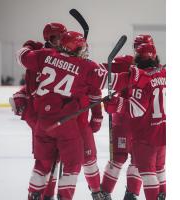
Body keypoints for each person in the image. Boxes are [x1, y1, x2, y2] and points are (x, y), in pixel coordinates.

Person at [16, 30, 133, 200]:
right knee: (72, 165)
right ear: (75, 47)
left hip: (42, 124)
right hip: (67, 125)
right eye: (82, 47)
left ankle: (34, 195)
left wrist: (28, 47)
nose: (85, 50)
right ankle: (65, 196)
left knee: (42, 164)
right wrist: (136, 75)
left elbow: (22, 57)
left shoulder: (45, 55)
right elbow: (112, 81)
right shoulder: (86, 66)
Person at [10, 22, 67, 200]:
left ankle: (47, 195)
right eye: (56, 37)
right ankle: (35, 195)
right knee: (44, 161)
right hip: (42, 116)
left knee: (54, 160)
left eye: (62, 37)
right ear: (49, 38)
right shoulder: (47, 57)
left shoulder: (41, 55)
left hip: (55, 116)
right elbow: (33, 86)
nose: (60, 41)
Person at [104, 43, 166, 200]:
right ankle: (160, 195)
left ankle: (115, 192)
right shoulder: (165, 73)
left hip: (145, 133)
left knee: (147, 171)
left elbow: (136, 108)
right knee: (158, 167)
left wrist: (114, 103)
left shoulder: (143, 78)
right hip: (163, 131)